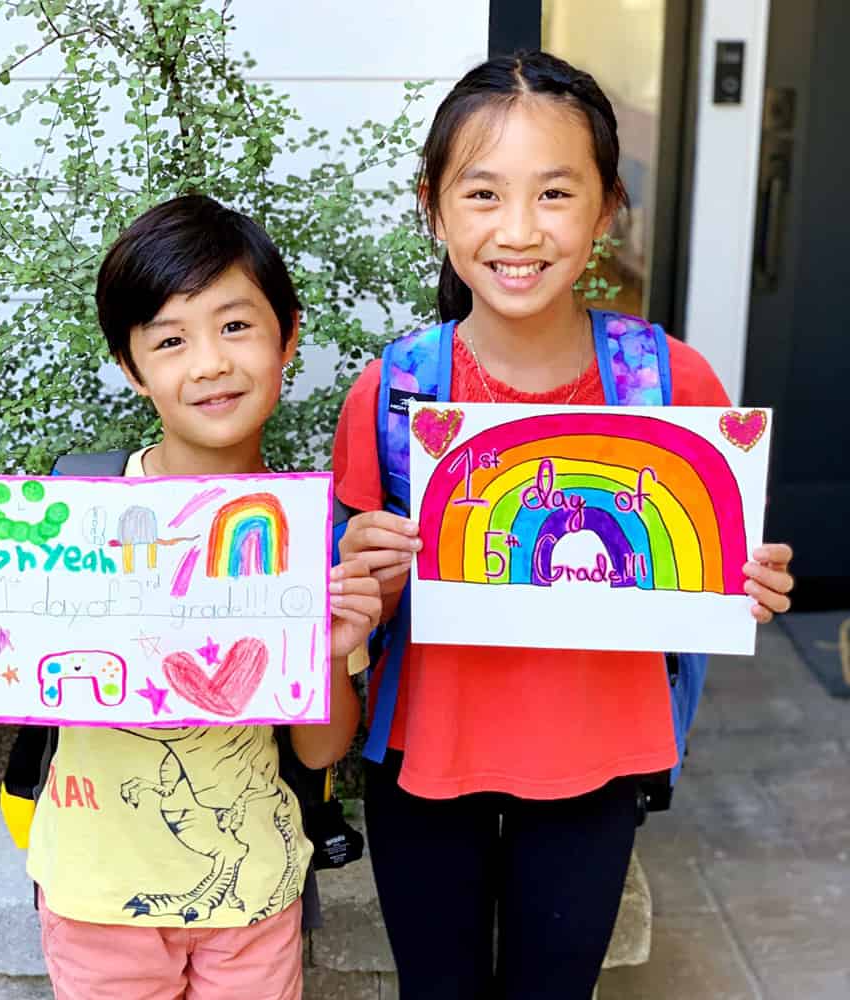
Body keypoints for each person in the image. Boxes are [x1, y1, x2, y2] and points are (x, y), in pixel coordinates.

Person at [334, 51, 795, 1000]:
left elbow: (709, 565)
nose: (518, 231)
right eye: (482, 194)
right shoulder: (393, 392)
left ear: (606, 208)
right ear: (434, 208)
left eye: (554, 193)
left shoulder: (672, 385)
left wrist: (745, 582)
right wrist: (358, 573)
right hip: (427, 761)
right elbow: (346, 607)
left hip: (597, 768)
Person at [0, 194, 381, 1000]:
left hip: (254, 889)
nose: (209, 363)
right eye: (169, 340)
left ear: (287, 336)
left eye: (235, 326)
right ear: (132, 367)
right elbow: (20, 695)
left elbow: (322, 750)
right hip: (93, 895)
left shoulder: (310, 537)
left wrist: (330, 656)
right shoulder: (72, 515)